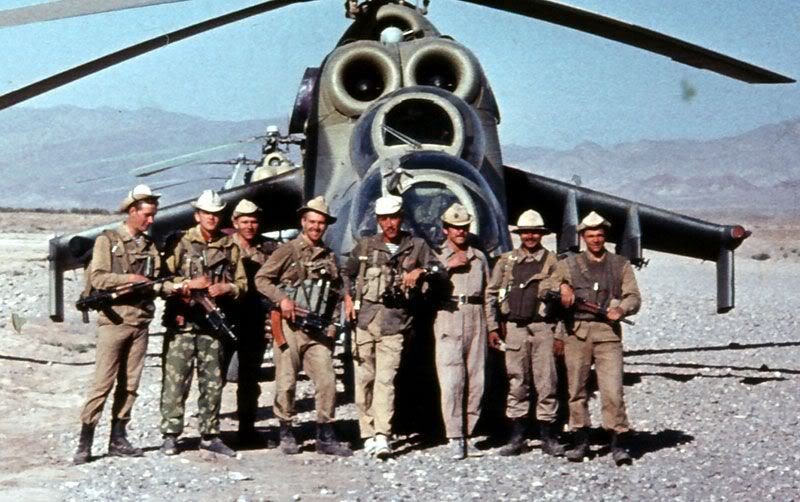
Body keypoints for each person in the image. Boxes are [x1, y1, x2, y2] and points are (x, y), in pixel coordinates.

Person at [343, 195, 444, 460]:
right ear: (378, 220)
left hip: (395, 323)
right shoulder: (366, 246)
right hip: (365, 322)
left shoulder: (417, 246)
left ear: (402, 218)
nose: (390, 224)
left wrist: (421, 271)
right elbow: (346, 273)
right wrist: (348, 298)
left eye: (394, 218)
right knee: (364, 379)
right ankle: (367, 432)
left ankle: (382, 435)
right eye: (385, 219)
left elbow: (439, 270)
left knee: (386, 381)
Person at [254, 196, 352, 457]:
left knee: (327, 380)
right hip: (290, 327)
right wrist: (282, 300)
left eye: (321, 223)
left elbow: (336, 291)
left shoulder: (328, 256)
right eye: (312, 222)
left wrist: (338, 316)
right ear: (303, 222)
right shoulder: (287, 251)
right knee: (286, 381)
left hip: (317, 330)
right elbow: (261, 279)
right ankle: (285, 430)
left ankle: (325, 433)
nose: (316, 227)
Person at [73, 185, 162, 465]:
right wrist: (131, 280)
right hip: (114, 322)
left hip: (140, 322)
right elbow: (98, 278)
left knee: (131, 384)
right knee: (103, 383)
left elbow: (156, 279)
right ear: (132, 211)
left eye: (153, 215)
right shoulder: (108, 240)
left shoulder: (149, 246)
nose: (150, 220)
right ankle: (85, 442)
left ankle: (118, 438)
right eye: (146, 215)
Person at [545, 210, 641, 465]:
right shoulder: (568, 264)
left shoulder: (620, 264)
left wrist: (621, 309)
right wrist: (562, 286)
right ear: (583, 237)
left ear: (605, 236)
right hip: (577, 333)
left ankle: (618, 441)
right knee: (576, 390)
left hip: (608, 334)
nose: (596, 240)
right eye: (590, 235)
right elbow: (547, 286)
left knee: (613, 389)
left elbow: (633, 296)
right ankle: (580, 440)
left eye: (599, 235)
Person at [159, 190, 246, 457]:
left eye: (216, 214)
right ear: (198, 215)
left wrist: (227, 288)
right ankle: (171, 434)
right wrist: (185, 285)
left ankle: (210, 434)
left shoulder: (230, 247)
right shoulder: (180, 243)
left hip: (213, 326)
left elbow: (243, 284)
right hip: (183, 324)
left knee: (213, 382)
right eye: (207, 213)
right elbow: (162, 282)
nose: (212, 218)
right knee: (175, 381)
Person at [486, 209, 565, 457]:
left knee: (546, 382)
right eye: (525, 232)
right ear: (519, 234)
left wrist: (559, 334)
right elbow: (491, 294)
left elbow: (564, 302)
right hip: (514, 329)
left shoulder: (554, 262)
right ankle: (517, 437)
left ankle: (548, 437)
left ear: (541, 234)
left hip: (543, 328)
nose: (530, 236)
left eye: (534, 232)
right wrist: (492, 326)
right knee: (517, 381)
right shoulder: (506, 261)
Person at [433, 203, 491, 460]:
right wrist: (448, 266)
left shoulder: (479, 257)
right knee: (452, 380)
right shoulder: (437, 256)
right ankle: (455, 436)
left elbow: (489, 293)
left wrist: (492, 326)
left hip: (477, 315)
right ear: (445, 229)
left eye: (464, 227)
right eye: (455, 227)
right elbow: (427, 287)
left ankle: (470, 432)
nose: (460, 232)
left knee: (477, 378)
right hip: (449, 315)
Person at [229, 199, 279, 445]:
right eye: (245, 221)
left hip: (255, 320)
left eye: (254, 221)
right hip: (226, 318)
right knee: (214, 376)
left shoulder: (270, 249)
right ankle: (210, 432)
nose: (249, 226)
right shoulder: (224, 246)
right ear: (235, 222)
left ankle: (246, 429)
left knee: (250, 378)